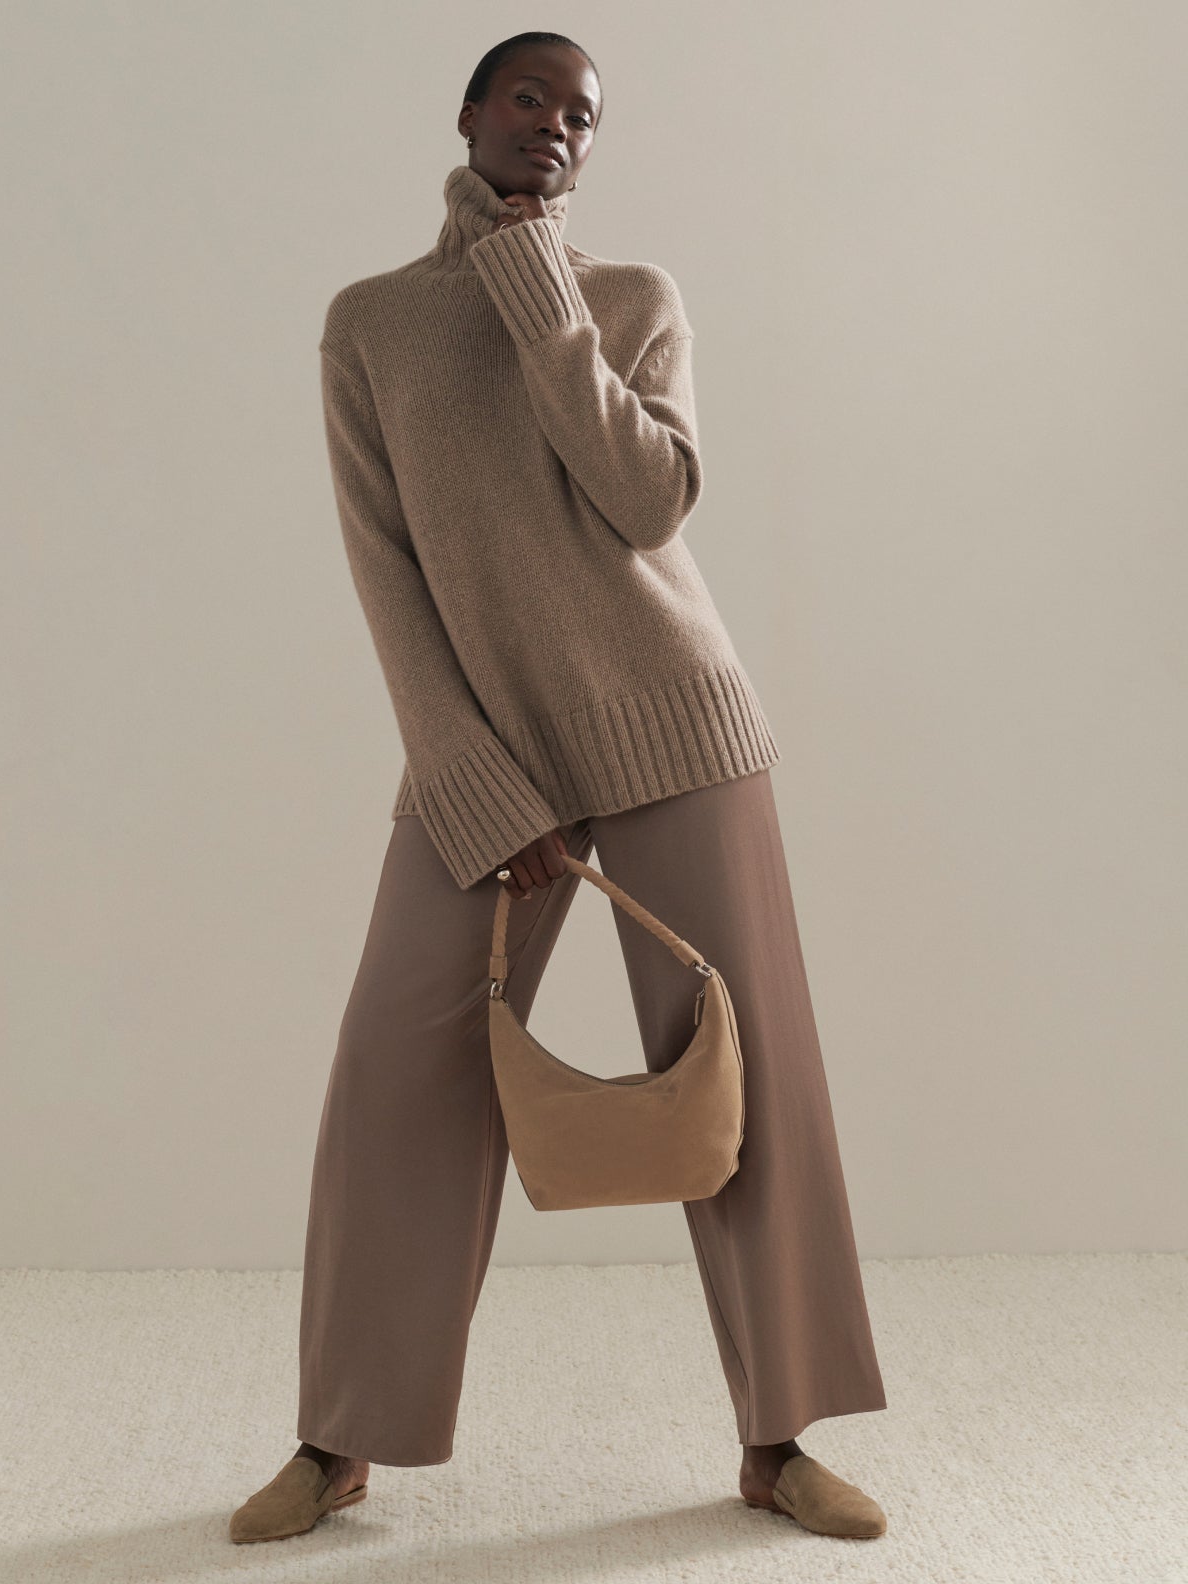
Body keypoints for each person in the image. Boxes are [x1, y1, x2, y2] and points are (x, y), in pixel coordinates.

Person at [231, 30, 888, 1546]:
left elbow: (649, 499)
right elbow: (388, 582)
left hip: (676, 723)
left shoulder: (632, 302)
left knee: (746, 1070)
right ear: (469, 113)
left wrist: (542, 302)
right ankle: (335, 1441)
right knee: (399, 1074)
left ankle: (779, 1440)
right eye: (530, 95)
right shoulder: (372, 327)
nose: (557, 125)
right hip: (488, 757)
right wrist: (474, 778)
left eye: (582, 113)